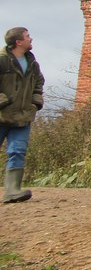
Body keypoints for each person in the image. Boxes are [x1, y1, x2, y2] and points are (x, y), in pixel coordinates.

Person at [0, 27, 43, 203]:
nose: (30, 39)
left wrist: (35, 102)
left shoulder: (32, 62)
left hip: (23, 116)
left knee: (18, 151)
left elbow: (39, 82)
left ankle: (12, 191)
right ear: (18, 41)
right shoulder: (2, 60)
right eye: (27, 37)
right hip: (2, 115)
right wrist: (2, 101)